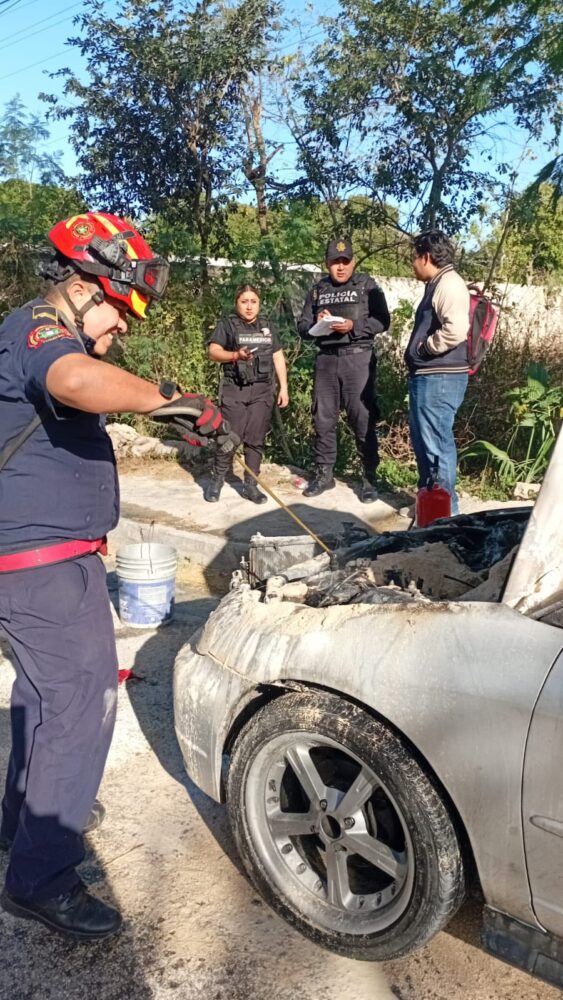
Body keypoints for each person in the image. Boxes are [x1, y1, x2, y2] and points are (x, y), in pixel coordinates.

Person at [0, 211, 233, 941]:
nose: (124, 326)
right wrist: (170, 399)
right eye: (118, 309)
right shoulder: (38, 330)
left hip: (47, 561)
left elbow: (85, 385)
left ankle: (28, 822)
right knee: (82, 699)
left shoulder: (52, 330)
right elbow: (73, 378)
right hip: (36, 564)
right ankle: (42, 876)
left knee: (44, 699)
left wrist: (167, 411)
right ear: (79, 286)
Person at [297, 237, 390, 502]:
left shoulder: (366, 286)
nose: (340, 267)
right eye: (335, 262)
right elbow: (301, 327)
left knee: (362, 419)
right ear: (327, 263)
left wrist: (353, 327)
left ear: (352, 262)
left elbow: (383, 320)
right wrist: (315, 322)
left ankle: (370, 478)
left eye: (345, 261)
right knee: (323, 419)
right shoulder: (317, 290)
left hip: (358, 359)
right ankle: (324, 475)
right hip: (326, 359)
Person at [204, 283, 289, 504]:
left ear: (259, 303)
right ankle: (217, 480)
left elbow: (278, 356)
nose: (249, 307)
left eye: (253, 302)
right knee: (230, 437)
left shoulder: (267, 326)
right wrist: (235, 356)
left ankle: (251, 485)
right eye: (244, 301)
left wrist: (284, 388)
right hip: (235, 389)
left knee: (255, 439)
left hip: (262, 391)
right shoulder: (227, 325)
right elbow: (212, 352)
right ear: (237, 303)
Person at [405, 230, 471, 515]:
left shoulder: (449, 284)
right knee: (426, 443)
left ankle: (447, 515)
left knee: (437, 446)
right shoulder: (438, 282)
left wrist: (424, 349)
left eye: (414, 258)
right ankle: (430, 508)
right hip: (430, 378)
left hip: (440, 378)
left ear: (426, 257)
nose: (412, 264)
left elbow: (456, 329)